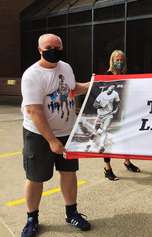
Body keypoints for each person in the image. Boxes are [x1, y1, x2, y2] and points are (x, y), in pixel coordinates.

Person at [20, 33, 91, 237]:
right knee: (35, 177)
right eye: (50, 47)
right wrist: (51, 140)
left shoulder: (66, 67)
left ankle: (72, 213)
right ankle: (32, 218)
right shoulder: (32, 75)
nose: (55, 51)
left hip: (67, 132)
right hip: (39, 135)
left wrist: (93, 84)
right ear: (40, 50)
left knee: (69, 173)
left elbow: (72, 89)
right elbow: (34, 110)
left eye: (58, 47)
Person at [101, 50, 141, 181]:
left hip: (124, 113)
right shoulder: (106, 76)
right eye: (117, 60)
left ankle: (127, 162)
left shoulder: (126, 76)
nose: (119, 62)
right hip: (110, 114)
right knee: (108, 142)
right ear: (112, 61)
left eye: (121, 60)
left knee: (126, 139)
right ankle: (107, 168)